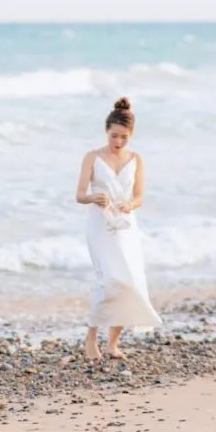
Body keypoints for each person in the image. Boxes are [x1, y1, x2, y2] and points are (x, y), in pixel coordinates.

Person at [74, 97, 162, 361]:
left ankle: (113, 343)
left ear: (131, 135)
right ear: (106, 131)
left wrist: (129, 205)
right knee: (109, 280)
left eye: (124, 137)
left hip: (126, 226)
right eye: (114, 136)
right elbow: (79, 195)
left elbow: (139, 197)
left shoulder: (136, 159)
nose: (118, 141)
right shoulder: (92, 157)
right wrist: (93, 197)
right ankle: (91, 338)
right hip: (100, 225)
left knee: (131, 281)